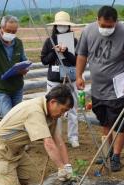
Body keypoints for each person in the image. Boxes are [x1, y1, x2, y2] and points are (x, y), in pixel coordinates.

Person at [76, 6, 124, 172]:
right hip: (98, 88)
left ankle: (117, 156)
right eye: (103, 26)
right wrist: (79, 75)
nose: (106, 29)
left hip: (119, 88)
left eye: (110, 26)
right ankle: (107, 152)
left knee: (119, 123)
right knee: (105, 121)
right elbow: (82, 54)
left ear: (116, 22)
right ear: (97, 20)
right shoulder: (88, 31)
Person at [0, 85, 74, 185]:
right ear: (53, 102)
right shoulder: (35, 111)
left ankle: (7, 176)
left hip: (17, 151)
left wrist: (67, 166)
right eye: (63, 110)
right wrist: (61, 168)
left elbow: (58, 141)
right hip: (0, 150)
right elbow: (49, 144)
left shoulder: (52, 114)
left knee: (36, 183)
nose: (63, 114)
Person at [41, 11, 80, 148]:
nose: (62, 27)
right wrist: (54, 52)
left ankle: (73, 137)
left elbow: (77, 60)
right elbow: (44, 60)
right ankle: (56, 137)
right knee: (54, 109)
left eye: (65, 25)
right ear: (55, 25)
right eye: (59, 25)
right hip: (54, 80)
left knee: (73, 109)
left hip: (70, 78)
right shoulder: (49, 41)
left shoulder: (74, 41)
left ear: (68, 26)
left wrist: (66, 52)